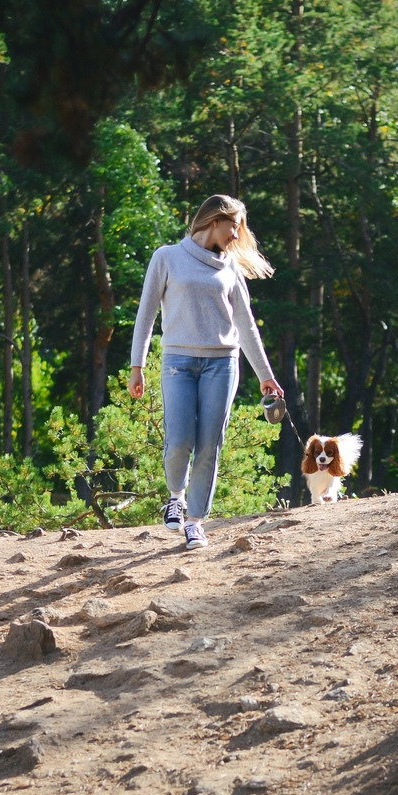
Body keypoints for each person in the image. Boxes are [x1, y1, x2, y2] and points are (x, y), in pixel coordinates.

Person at [128, 194, 284, 549]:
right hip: (177, 363)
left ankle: (196, 521)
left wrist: (265, 374)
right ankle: (175, 497)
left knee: (209, 445)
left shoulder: (230, 268)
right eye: (234, 226)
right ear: (215, 220)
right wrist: (136, 366)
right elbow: (146, 314)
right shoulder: (167, 257)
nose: (236, 235)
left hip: (222, 364)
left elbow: (247, 326)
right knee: (180, 439)